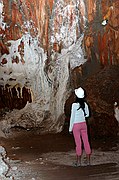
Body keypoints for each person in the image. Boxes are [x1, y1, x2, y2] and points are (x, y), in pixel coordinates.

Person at [69, 87, 91, 167]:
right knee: (86, 141)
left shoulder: (74, 105)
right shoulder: (85, 104)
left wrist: (70, 129)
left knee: (78, 143)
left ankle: (78, 162)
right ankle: (88, 161)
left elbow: (72, 117)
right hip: (84, 124)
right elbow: (87, 114)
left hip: (76, 125)